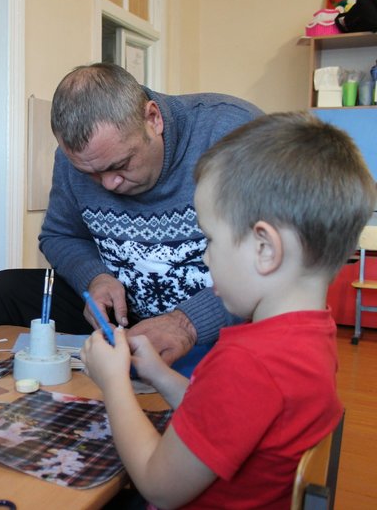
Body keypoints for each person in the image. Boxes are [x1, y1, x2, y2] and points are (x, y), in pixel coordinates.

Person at [81, 112, 374, 508]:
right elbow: (225, 417)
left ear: (265, 249)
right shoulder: (312, 334)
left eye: (211, 239)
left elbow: (158, 486)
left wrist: (113, 381)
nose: (205, 257)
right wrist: (159, 375)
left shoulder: (247, 362)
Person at [0, 63, 263, 366]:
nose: (109, 184)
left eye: (120, 165)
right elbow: (60, 235)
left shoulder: (233, 132)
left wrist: (187, 323)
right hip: (122, 317)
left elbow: (278, 265)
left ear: (153, 118)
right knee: (2, 291)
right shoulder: (78, 159)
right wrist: (95, 277)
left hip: (216, 315)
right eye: (92, 174)